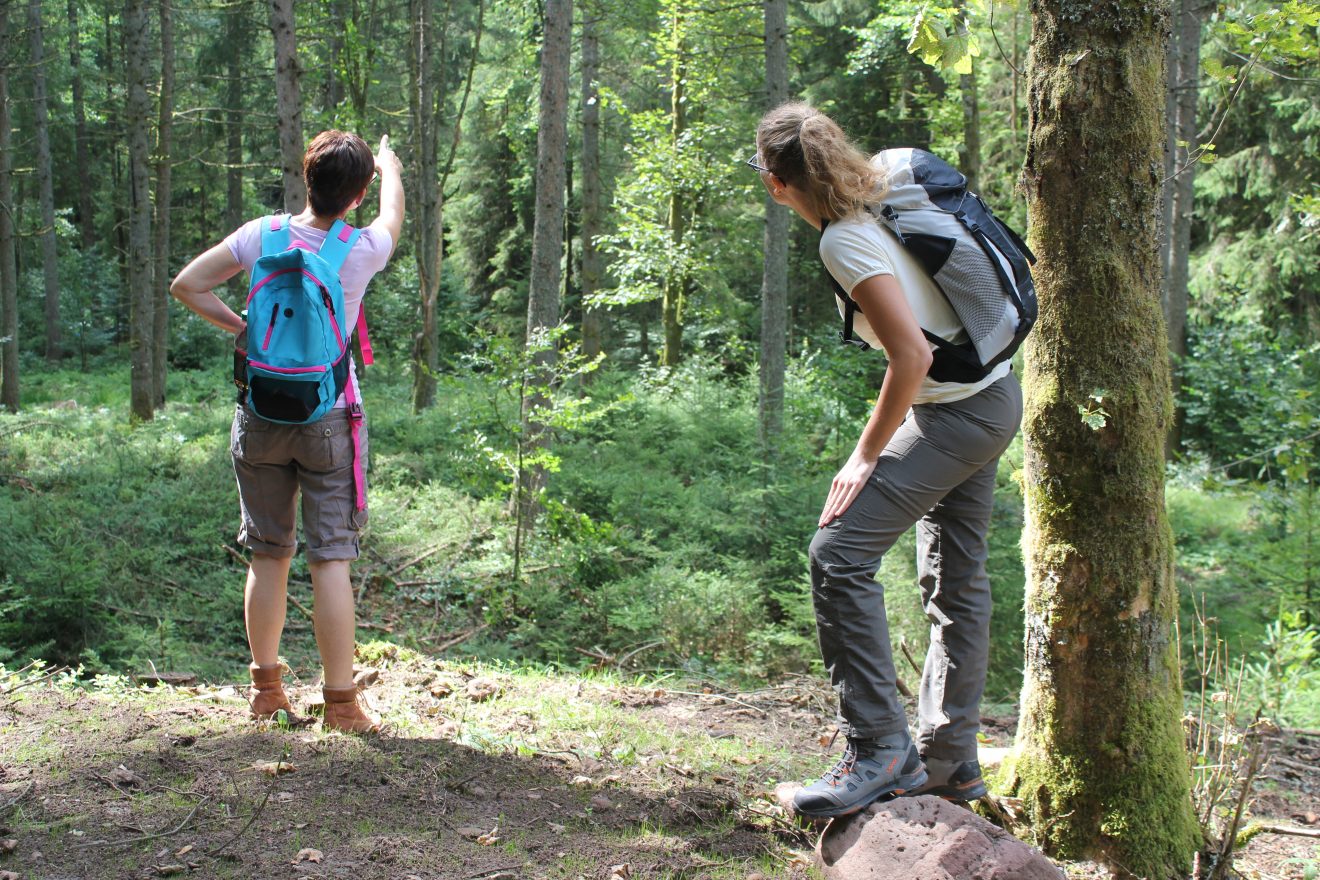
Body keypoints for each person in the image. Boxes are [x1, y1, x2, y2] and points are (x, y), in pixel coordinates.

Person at [751, 103, 1023, 817]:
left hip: (956, 413)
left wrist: (863, 456)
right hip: (994, 396)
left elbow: (913, 355)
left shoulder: (843, 241)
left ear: (779, 184)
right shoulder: (896, 172)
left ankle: (878, 754)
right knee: (956, 583)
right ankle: (951, 765)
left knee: (836, 554)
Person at [170, 131, 404, 733]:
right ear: (357, 193)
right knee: (331, 560)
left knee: (268, 554)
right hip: (330, 418)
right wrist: (390, 165)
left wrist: (242, 329)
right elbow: (394, 213)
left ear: (305, 179)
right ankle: (342, 705)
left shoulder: (261, 235)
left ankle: (268, 691)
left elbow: (186, 284)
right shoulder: (364, 247)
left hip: (260, 415)